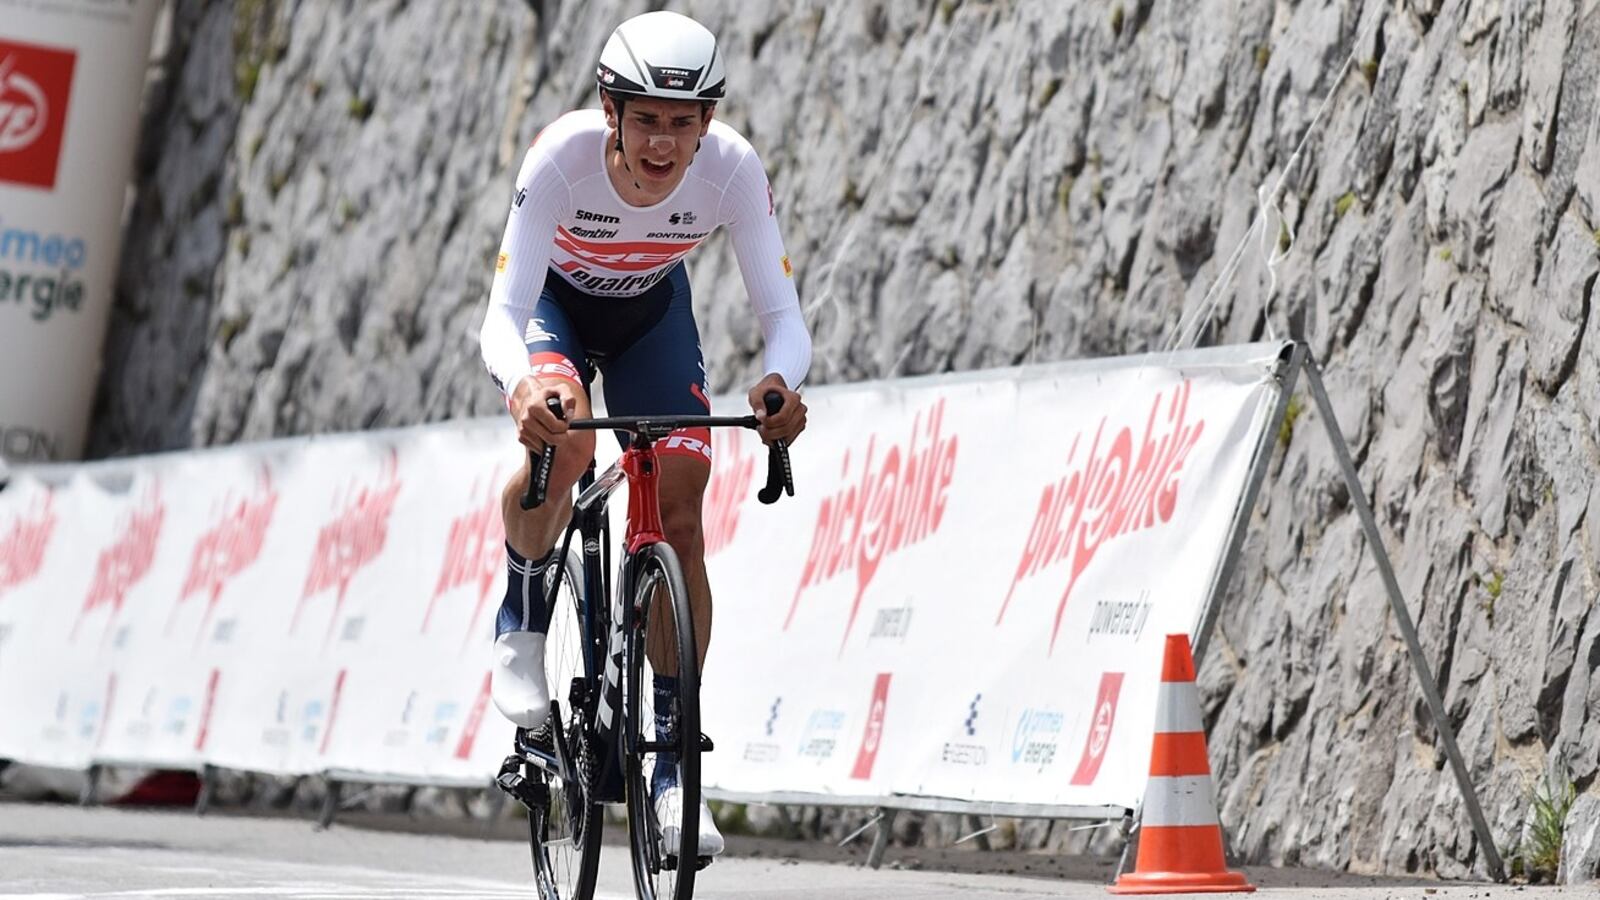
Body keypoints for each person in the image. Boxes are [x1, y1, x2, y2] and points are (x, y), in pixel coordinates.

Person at [477, 10, 812, 858]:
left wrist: (779, 384)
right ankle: (521, 613)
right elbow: (503, 314)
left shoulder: (732, 169)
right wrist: (523, 386)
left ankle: (669, 774)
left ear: (708, 122)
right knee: (572, 435)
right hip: (554, 307)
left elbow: (784, 319)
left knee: (683, 514)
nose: (665, 145)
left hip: (651, 316)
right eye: (648, 121)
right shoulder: (560, 157)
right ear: (611, 109)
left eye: (684, 124)